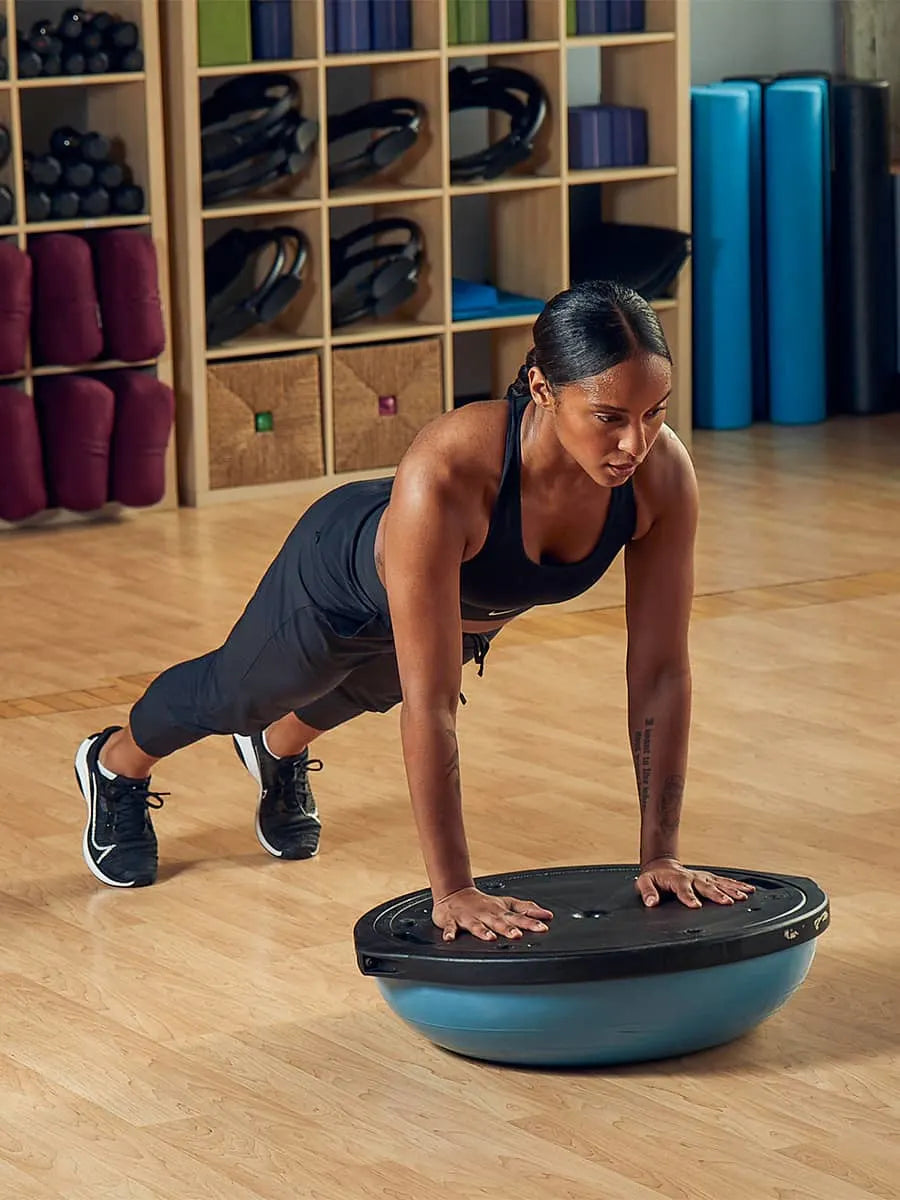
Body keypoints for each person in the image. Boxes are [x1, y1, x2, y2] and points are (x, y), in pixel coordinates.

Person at [74, 279, 754, 940]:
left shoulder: (659, 476)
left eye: (654, 411)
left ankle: (275, 752)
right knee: (241, 695)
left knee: (365, 694)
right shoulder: (455, 465)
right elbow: (435, 703)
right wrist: (454, 889)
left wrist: (659, 854)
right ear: (543, 389)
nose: (635, 443)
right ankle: (114, 764)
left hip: (456, 609)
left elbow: (661, 672)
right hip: (338, 579)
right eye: (609, 417)